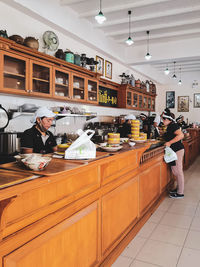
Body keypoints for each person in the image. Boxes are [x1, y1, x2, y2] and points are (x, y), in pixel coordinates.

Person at [162, 109, 185, 199]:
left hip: (177, 150)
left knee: (178, 172)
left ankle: (180, 193)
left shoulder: (173, 125)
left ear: (168, 119)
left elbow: (181, 135)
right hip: (176, 150)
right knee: (176, 171)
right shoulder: (171, 126)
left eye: (164, 119)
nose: (163, 121)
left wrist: (170, 142)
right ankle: (179, 189)